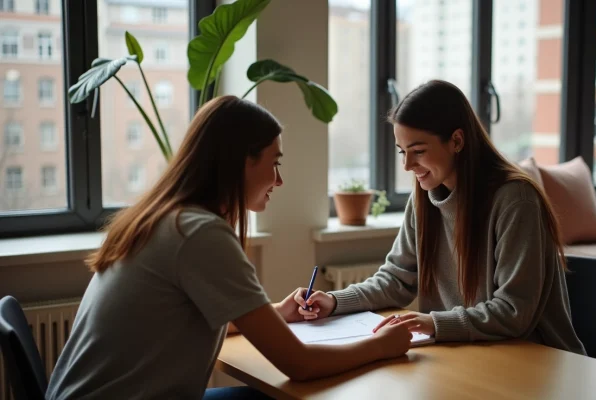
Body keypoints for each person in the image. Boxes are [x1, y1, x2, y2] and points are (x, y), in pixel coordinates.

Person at [45, 96, 413, 400]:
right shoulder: (199, 234)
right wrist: (381, 346)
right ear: (241, 162)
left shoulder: (162, 217)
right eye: (274, 163)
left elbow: (190, 316)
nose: (279, 180)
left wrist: (280, 313)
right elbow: (299, 364)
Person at [293, 80, 586, 355]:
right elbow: (396, 279)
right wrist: (334, 301)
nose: (407, 165)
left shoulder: (516, 200)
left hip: (535, 358)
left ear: (457, 141)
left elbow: (513, 312)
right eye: (402, 152)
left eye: (418, 151)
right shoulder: (425, 196)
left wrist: (432, 323)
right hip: (469, 353)